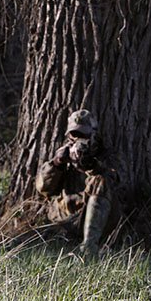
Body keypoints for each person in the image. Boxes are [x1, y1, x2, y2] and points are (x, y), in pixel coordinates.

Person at [35, 109, 120, 256]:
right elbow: (44, 189)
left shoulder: (105, 155)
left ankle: (89, 247)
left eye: (84, 135)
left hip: (98, 221)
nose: (79, 139)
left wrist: (92, 167)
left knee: (100, 181)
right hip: (66, 220)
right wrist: (56, 164)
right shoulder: (65, 154)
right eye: (75, 134)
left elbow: (118, 182)